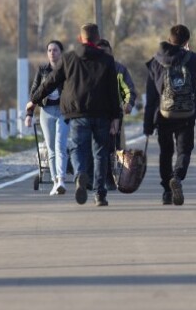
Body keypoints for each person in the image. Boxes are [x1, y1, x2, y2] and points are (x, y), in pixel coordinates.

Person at [28, 23, 121, 207]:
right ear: (97, 38)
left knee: (78, 147)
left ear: (80, 39)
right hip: (102, 113)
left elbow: (51, 81)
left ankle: (80, 175)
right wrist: (116, 116)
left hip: (77, 112)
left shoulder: (69, 58)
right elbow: (113, 90)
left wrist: (34, 99)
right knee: (100, 153)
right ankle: (100, 194)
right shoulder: (107, 60)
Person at [143, 24, 196, 206]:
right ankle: (177, 177)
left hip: (163, 114)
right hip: (186, 114)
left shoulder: (155, 61)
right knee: (184, 150)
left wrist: (147, 125)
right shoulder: (190, 58)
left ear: (169, 40)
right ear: (186, 42)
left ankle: (167, 192)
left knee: (165, 153)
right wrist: (193, 56)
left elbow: (151, 96)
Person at [25, 40, 69, 196]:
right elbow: (34, 94)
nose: (52, 53)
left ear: (61, 52)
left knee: (60, 145)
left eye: (55, 50)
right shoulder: (42, 70)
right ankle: (55, 181)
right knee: (50, 148)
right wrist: (29, 114)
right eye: (49, 50)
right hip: (47, 111)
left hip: (64, 111)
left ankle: (62, 179)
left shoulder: (67, 69)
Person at [96, 38, 137, 190]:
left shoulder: (119, 69)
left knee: (113, 147)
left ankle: (110, 178)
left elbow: (128, 90)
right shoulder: (91, 68)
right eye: (100, 53)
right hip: (95, 114)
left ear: (111, 53)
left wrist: (128, 103)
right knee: (97, 147)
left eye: (106, 52)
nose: (103, 56)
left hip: (114, 114)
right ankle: (95, 177)